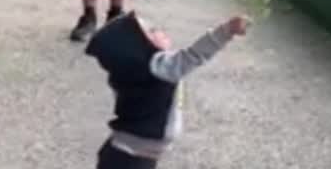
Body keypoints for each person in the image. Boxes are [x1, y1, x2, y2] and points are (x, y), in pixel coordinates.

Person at [85, 12, 250, 169]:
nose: (159, 30)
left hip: (128, 152)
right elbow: (193, 56)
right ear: (136, 50)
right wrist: (225, 31)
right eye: (151, 31)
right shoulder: (156, 66)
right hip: (132, 157)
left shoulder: (130, 72)